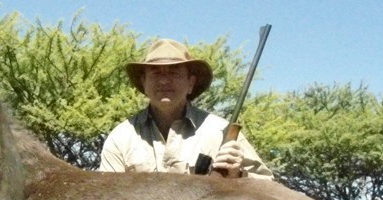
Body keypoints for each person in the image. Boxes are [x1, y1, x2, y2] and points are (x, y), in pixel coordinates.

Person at [99, 38, 272, 178]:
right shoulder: (121, 138)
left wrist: (237, 174)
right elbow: (108, 197)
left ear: (191, 83)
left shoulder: (220, 132)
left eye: (174, 72)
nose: (164, 80)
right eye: (155, 73)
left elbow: (268, 188)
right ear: (144, 82)